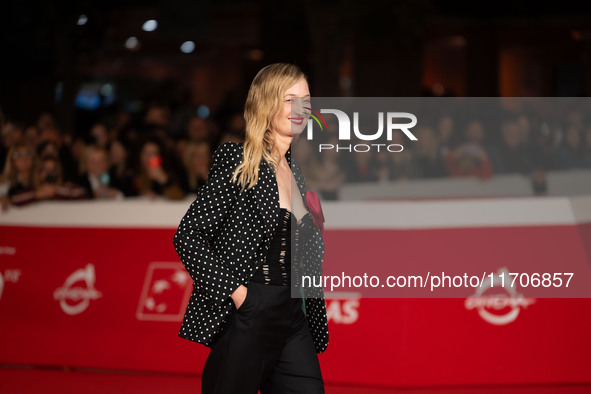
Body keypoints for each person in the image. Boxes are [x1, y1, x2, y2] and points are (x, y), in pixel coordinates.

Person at [173, 63, 328, 394]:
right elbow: (188, 236)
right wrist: (240, 295)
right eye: (290, 99)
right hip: (250, 311)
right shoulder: (239, 160)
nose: (301, 108)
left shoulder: (297, 173)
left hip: (293, 318)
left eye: (306, 99)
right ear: (266, 104)